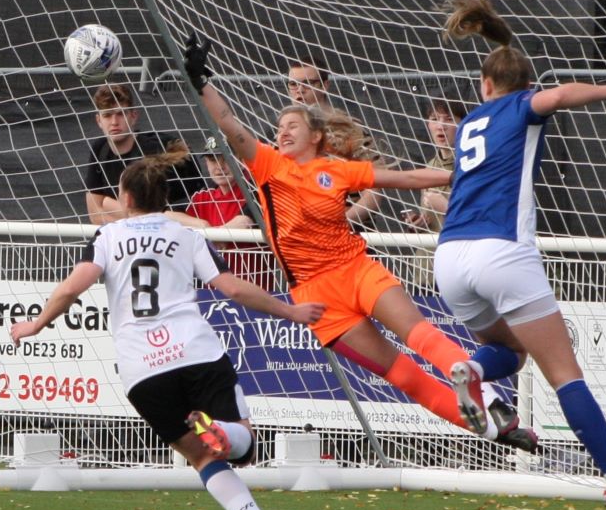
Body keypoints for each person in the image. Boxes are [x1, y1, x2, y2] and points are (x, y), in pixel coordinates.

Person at [184, 37, 538, 452]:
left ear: (316, 135)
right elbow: (228, 122)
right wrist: (200, 81)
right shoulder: (267, 165)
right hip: (317, 296)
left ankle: (486, 397)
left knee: (419, 333)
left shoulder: (336, 169)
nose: (282, 132)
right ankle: (492, 425)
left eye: (291, 126)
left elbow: (406, 178)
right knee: (402, 375)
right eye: (279, 128)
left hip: (356, 269)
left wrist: (466, 173)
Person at [11, 148, 325, 510]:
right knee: (243, 443)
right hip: (196, 352)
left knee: (203, 458)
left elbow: (74, 286)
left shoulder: (106, 237)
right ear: (165, 199)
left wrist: (36, 323)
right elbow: (231, 288)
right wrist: (291, 311)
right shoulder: (187, 236)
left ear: (125, 200)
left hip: (143, 372)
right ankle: (223, 433)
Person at [433, 0, 606, 510]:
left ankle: (471, 369)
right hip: (501, 251)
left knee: (509, 352)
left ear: (483, 84)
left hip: (449, 255)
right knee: (565, 373)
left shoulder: (469, 122)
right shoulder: (523, 104)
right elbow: (555, 98)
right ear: (523, 85)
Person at [83, 83, 201, 225]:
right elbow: (95, 215)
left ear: (133, 116)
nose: (114, 122)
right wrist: (132, 214)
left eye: (121, 114)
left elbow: (156, 217)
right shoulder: (100, 149)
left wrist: (108, 204)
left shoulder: (153, 150)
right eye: (107, 115)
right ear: (99, 121)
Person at [286, 56, 383, 226]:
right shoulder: (282, 134)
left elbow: (375, 190)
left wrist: (342, 222)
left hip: (348, 231)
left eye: (308, 83)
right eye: (293, 84)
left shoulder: (350, 128)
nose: (299, 90)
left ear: (324, 85)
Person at [180, 137, 275, 289]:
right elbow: (165, 214)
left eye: (225, 159)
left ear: (240, 160)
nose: (219, 167)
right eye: (212, 160)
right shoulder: (202, 197)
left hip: (254, 292)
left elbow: (244, 222)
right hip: (211, 295)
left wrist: (210, 237)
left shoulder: (256, 191)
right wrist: (202, 225)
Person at [402, 98, 463, 290]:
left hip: (459, 273)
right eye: (435, 119)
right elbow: (431, 222)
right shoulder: (430, 166)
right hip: (426, 275)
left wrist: (445, 207)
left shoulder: (473, 166)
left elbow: (480, 220)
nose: (441, 126)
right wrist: (418, 223)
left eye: (449, 119)